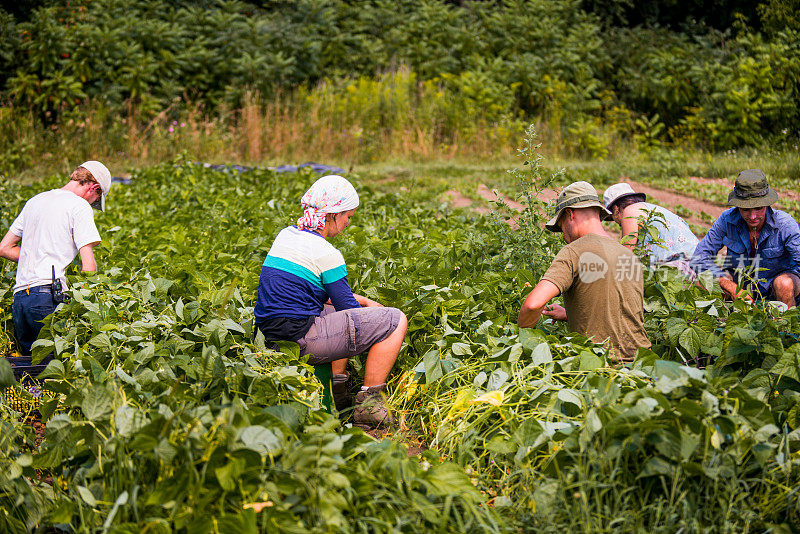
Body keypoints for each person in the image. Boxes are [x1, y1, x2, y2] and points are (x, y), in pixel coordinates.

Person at [253, 174, 407, 428]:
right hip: (297, 340)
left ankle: (337, 387)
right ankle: (370, 406)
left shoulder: (287, 236)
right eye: (348, 216)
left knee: (329, 311)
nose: (348, 223)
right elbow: (350, 314)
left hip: (267, 334)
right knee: (394, 320)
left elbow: (311, 292)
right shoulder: (327, 253)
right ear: (334, 214)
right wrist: (373, 313)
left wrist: (364, 301)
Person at [518, 181, 651, 364]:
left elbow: (532, 305)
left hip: (602, 368)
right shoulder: (627, 254)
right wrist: (568, 314)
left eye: (561, 226)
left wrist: (521, 343)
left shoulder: (574, 250)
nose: (563, 235)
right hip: (643, 365)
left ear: (569, 214)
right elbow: (617, 310)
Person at [0, 161, 111, 362]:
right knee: (55, 369)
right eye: (95, 199)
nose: (91, 204)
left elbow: (4, 247)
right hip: (46, 298)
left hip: (20, 300)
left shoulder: (35, 201)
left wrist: (35, 256)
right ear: (93, 188)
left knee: (30, 371)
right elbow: (89, 266)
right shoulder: (79, 206)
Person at [691, 169, 800, 307]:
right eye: (745, 209)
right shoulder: (727, 219)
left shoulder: (785, 224)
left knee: (783, 284)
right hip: (740, 286)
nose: (753, 216)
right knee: (704, 283)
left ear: (767, 204)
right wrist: (731, 287)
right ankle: (725, 319)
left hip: (775, 287)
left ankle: (785, 324)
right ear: (738, 206)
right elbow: (699, 257)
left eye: (758, 208)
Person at [603, 183, 698, 276]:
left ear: (615, 209)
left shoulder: (629, 211)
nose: (617, 223)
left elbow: (626, 254)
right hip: (699, 260)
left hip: (680, 266)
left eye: (613, 218)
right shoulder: (652, 209)